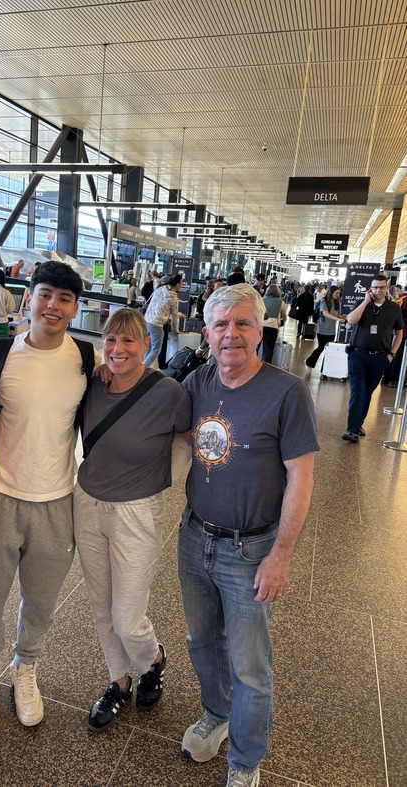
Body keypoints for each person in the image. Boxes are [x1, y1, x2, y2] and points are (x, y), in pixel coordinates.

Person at [178, 284, 319, 787]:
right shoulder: (198, 382)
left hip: (251, 548)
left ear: (261, 331)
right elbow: (168, 422)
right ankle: (217, 714)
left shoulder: (287, 392)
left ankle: (244, 760)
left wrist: (280, 556)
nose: (231, 334)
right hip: (195, 537)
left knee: (250, 663)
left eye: (243, 323)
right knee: (201, 641)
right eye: (221, 324)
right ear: (206, 333)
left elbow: (301, 478)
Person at [0, 261, 99, 733]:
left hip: (57, 499)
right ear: (28, 298)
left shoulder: (87, 359)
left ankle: (26, 666)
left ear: (75, 308)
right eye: (45, 294)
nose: (53, 306)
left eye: (64, 299)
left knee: (41, 599)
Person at [73, 309, 191, 732]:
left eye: (128, 341)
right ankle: (119, 681)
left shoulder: (169, 393)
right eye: (111, 340)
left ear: (147, 345)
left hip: (137, 513)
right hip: (86, 503)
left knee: (127, 616)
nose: (118, 349)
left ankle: (152, 659)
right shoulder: (92, 383)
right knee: (101, 606)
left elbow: (192, 441)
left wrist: (166, 480)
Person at [342, 275, 404, 443]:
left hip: (379, 357)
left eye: (381, 287)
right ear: (370, 288)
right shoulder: (362, 304)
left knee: (367, 391)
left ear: (387, 288)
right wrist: (365, 301)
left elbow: (399, 333)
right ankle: (352, 430)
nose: (378, 290)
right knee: (357, 390)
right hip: (357, 354)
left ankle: (358, 424)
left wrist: (391, 354)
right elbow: (351, 320)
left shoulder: (394, 308)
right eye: (375, 287)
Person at [143, 273, 183, 368]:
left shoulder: (160, 289)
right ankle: (142, 368)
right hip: (156, 324)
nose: (181, 285)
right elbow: (174, 316)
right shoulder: (174, 298)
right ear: (177, 284)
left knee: (149, 347)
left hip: (147, 320)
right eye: (181, 283)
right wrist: (175, 330)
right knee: (156, 350)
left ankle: (143, 365)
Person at [305, 286, 345, 369]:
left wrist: (345, 318)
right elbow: (325, 313)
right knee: (321, 347)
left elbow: (337, 314)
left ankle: (325, 368)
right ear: (331, 293)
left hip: (331, 330)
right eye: (336, 293)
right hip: (322, 329)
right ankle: (309, 362)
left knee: (329, 349)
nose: (338, 295)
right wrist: (338, 319)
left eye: (339, 293)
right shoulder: (324, 301)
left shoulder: (337, 302)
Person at [260, 284, 287, 364]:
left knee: (256, 348)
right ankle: (266, 367)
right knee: (268, 350)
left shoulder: (261, 300)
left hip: (260, 326)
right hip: (272, 328)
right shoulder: (280, 302)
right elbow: (284, 317)